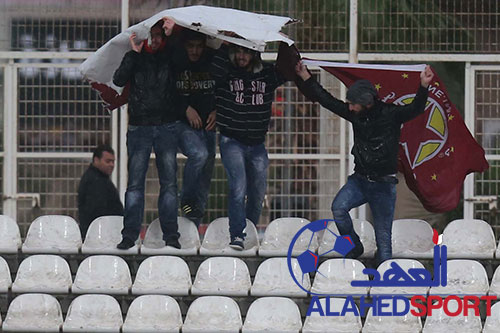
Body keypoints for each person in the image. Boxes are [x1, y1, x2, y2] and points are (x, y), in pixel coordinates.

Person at [295, 61, 434, 264]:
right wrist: (306, 78)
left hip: (384, 184)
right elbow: (326, 100)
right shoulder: (355, 115)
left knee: (383, 240)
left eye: (353, 103)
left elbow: (415, 108)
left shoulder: (391, 114)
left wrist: (423, 86)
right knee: (339, 208)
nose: (349, 107)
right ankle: (354, 245)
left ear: (366, 102)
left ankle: (382, 284)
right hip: (360, 180)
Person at [113, 18, 181, 250]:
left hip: (166, 125)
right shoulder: (136, 59)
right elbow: (118, 80)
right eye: (151, 35)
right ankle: (130, 235)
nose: (155, 40)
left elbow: (179, 59)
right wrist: (133, 54)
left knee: (169, 184)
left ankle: (171, 235)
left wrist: (171, 36)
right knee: (135, 184)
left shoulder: (170, 56)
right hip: (140, 126)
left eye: (159, 36)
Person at [211, 42, 287, 250]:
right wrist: (225, 45)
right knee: (238, 186)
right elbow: (215, 70)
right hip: (231, 140)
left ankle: (250, 229)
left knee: (258, 190)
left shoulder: (266, 75)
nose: (242, 56)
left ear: (254, 54)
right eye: (238, 51)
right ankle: (237, 234)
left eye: (246, 52)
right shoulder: (226, 72)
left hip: (257, 143)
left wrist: (284, 43)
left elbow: (287, 70)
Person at [173, 29, 216, 226]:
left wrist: (218, 111)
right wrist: (185, 108)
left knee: (204, 179)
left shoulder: (214, 61)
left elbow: (226, 86)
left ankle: (193, 224)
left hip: (208, 124)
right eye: (191, 46)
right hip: (180, 123)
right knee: (199, 154)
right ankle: (186, 200)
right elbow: (164, 91)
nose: (195, 51)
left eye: (199, 46)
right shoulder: (174, 61)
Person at [78, 144, 123, 239]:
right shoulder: (95, 181)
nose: (112, 165)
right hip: (100, 235)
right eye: (108, 161)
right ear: (96, 160)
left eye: (113, 161)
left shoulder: (99, 179)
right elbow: (97, 210)